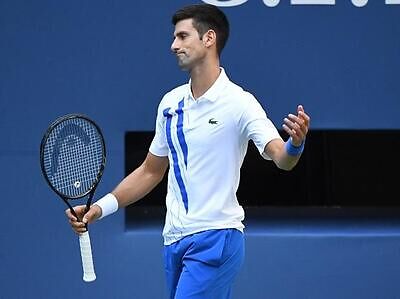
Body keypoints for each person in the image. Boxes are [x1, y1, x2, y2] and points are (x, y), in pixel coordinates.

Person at [66, 4, 310, 299]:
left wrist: (295, 143)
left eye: (182, 36)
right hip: (174, 241)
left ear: (209, 38)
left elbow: (281, 158)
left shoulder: (240, 103)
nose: (173, 45)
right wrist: (99, 209)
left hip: (216, 237)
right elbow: (150, 170)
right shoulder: (170, 104)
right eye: (174, 37)